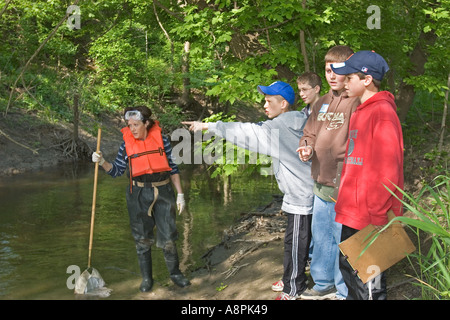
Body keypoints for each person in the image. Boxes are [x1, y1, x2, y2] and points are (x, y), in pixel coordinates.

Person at [183, 81, 314, 300]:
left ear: (283, 104)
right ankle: (292, 276)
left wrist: (209, 126)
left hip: (302, 195)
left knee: (296, 241)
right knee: (298, 239)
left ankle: (293, 289)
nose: (264, 104)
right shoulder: (301, 119)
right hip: (305, 192)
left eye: (268, 101)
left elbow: (246, 132)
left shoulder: (279, 127)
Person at [91, 105, 190, 292]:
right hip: (137, 195)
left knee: (168, 237)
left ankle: (176, 274)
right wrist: (101, 161)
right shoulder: (125, 145)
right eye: (130, 125)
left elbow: (174, 169)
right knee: (142, 239)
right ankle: (146, 278)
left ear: (146, 123)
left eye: (136, 124)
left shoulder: (163, 141)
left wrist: (181, 195)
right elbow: (116, 171)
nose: (133, 129)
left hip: (163, 192)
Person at [331, 50, 404, 300]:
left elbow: (389, 170)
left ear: (366, 79)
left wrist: (376, 214)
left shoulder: (383, 113)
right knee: (349, 273)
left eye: (349, 77)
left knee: (369, 286)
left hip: (372, 216)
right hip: (353, 212)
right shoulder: (360, 110)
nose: (344, 82)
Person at [297, 45, 360, 300]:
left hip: (343, 186)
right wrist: (306, 148)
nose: (331, 75)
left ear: (350, 71)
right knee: (321, 236)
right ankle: (322, 283)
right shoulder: (321, 103)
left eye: (337, 70)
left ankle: (344, 291)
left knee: (342, 238)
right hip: (320, 183)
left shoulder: (357, 102)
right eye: (327, 70)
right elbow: (308, 134)